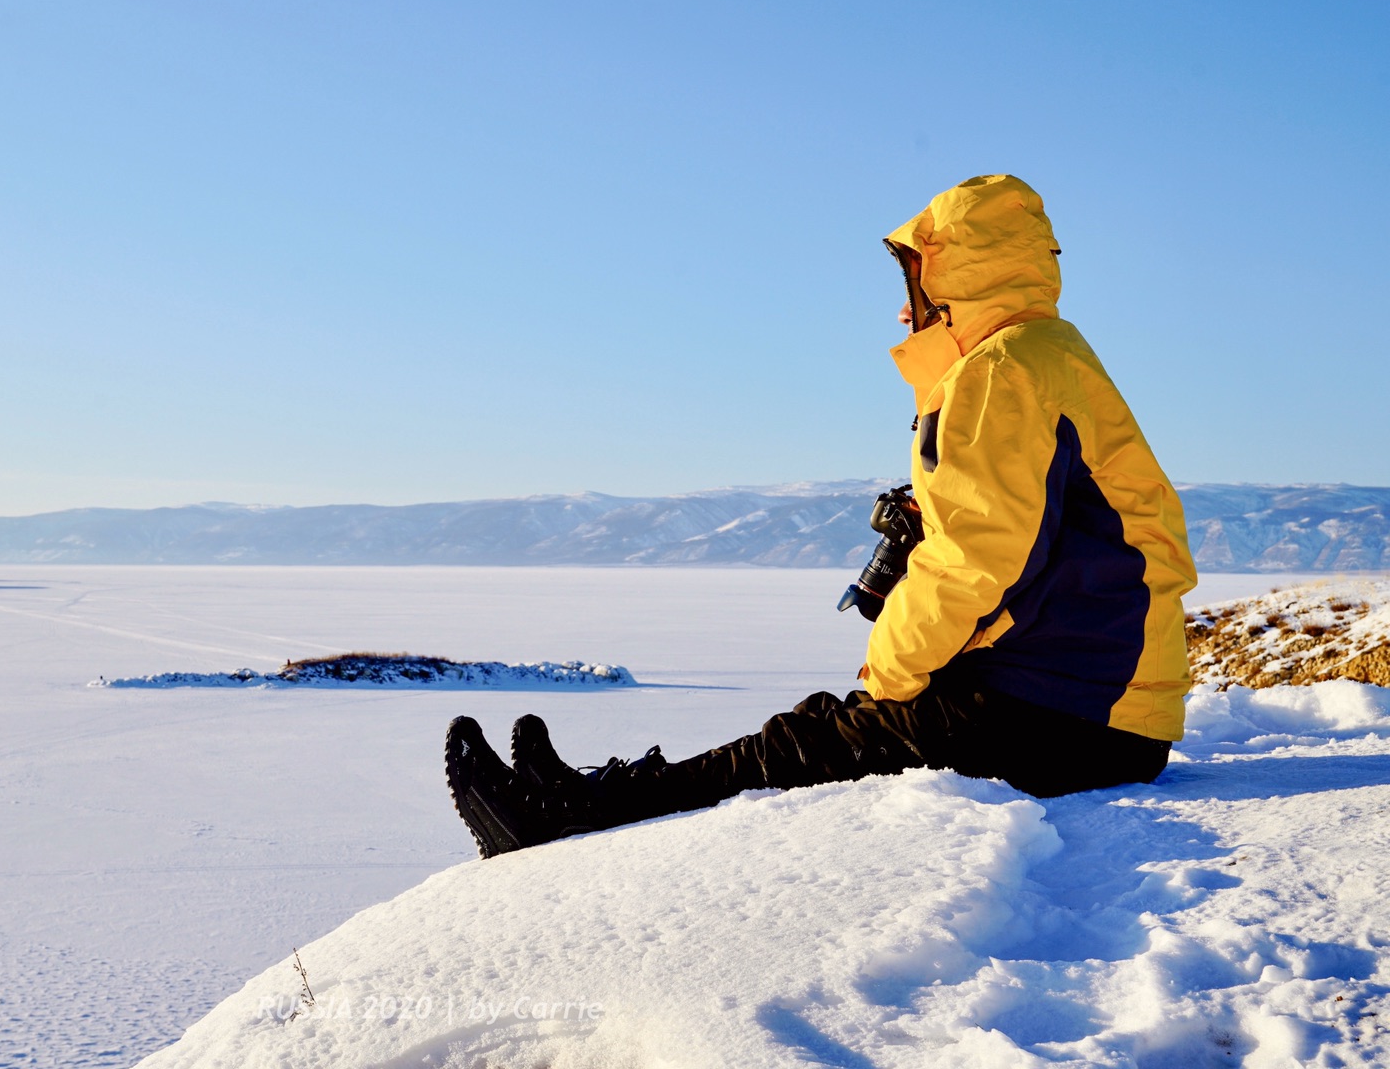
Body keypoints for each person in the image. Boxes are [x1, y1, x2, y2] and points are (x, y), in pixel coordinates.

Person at [444, 174, 1198, 859]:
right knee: (814, 731)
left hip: (1072, 715)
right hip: (1089, 697)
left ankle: (566, 820)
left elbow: (978, 556)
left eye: (916, 278)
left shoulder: (1000, 369)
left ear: (956, 276)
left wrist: (890, 671)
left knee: (811, 743)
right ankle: (593, 796)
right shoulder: (1040, 354)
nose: (905, 306)